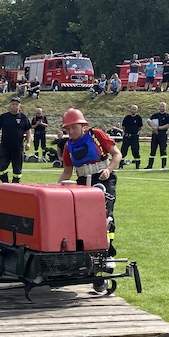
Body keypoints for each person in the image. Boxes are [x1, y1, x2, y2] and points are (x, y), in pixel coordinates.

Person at [56, 108, 121, 260]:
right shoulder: (68, 146)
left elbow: (117, 154)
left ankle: (108, 251)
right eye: (68, 129)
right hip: (82, 181)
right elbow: (67, 172)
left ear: (82, 125)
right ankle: (86, 250)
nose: (71, 132)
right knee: (82, 217)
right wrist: (55, 187)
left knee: (105, 215)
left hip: (103, 179)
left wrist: (108, 169)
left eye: (74, 127)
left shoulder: (96, 135)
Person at [0, 96, 32, 184]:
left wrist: (28, 143)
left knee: (17, 168)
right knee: (2, 166)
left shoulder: (23, 118)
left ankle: (15, 184)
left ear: (19, 106)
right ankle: (5, 182)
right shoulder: (4, 117)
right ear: (10, 105)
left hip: (18, 147)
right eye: (13, 104)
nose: (14, 106)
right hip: (4, 147)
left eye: (16, 104)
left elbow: (28, 130)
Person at [144, 101, 169, 169]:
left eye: (163, 106)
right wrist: (153, 127)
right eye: (161, 106)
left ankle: (163, 165)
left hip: (163, 134)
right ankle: (150, 165)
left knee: (163, 150)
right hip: (155, 134)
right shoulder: (155, 115)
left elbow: (168, 125)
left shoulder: (167, 116)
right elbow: (148, 120)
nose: (162, 107)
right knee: (152, 150)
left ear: (166, 107)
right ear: (159, 107)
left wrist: (158, 128)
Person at [119, 104, 142, 169]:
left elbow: (140, 127)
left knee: (136, 151)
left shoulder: (138, 118)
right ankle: (121, 165)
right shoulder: (127, 118)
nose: (133, 110)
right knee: (123, 151)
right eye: (132, 109)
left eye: (135, 109)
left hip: (134, 137)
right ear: (130, 110)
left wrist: (134, 132)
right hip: (127, 137)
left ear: (137, 110)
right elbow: (123, 127)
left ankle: (137, 165)